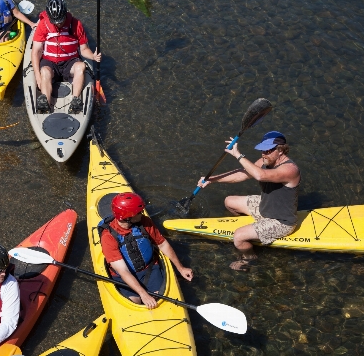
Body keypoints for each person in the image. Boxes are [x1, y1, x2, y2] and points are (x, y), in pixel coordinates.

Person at [197, 131, 301, 271]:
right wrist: (212, 179)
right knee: (229, 202)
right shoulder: (265, 161)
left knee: (238, 237)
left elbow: (260, 175)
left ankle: (250, 258)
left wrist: (238, 154)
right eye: (262, 150)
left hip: (281, 221)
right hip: (264, 208)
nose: (264, 153)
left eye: (268, 150)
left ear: (280, 150)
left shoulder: (290, 169)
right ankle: (253, 233)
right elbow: (242, 173)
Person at [99, 192, 193, 309]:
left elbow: (163, 245)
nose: (142, 213)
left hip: (150, 268)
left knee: (160, 298)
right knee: (134, 302)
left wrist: (181, 268)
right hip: (123, 277)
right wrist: (143, 293)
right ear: (128, 217)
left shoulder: (145, 222)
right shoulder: (108, 237)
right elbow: (122, 271)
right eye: (139, 212)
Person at [31, 0, 101, 114]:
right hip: (50, 62)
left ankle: (75, 100)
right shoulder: (43, 25)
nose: (58, 24)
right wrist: (37, 76)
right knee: (45, 72)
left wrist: (93, 57)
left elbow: (84, 49)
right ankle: (45, 103)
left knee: (81, 66)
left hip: (70, 61)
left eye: (60, 20)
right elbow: (36, 52)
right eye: (55, 21)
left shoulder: (76, 24)